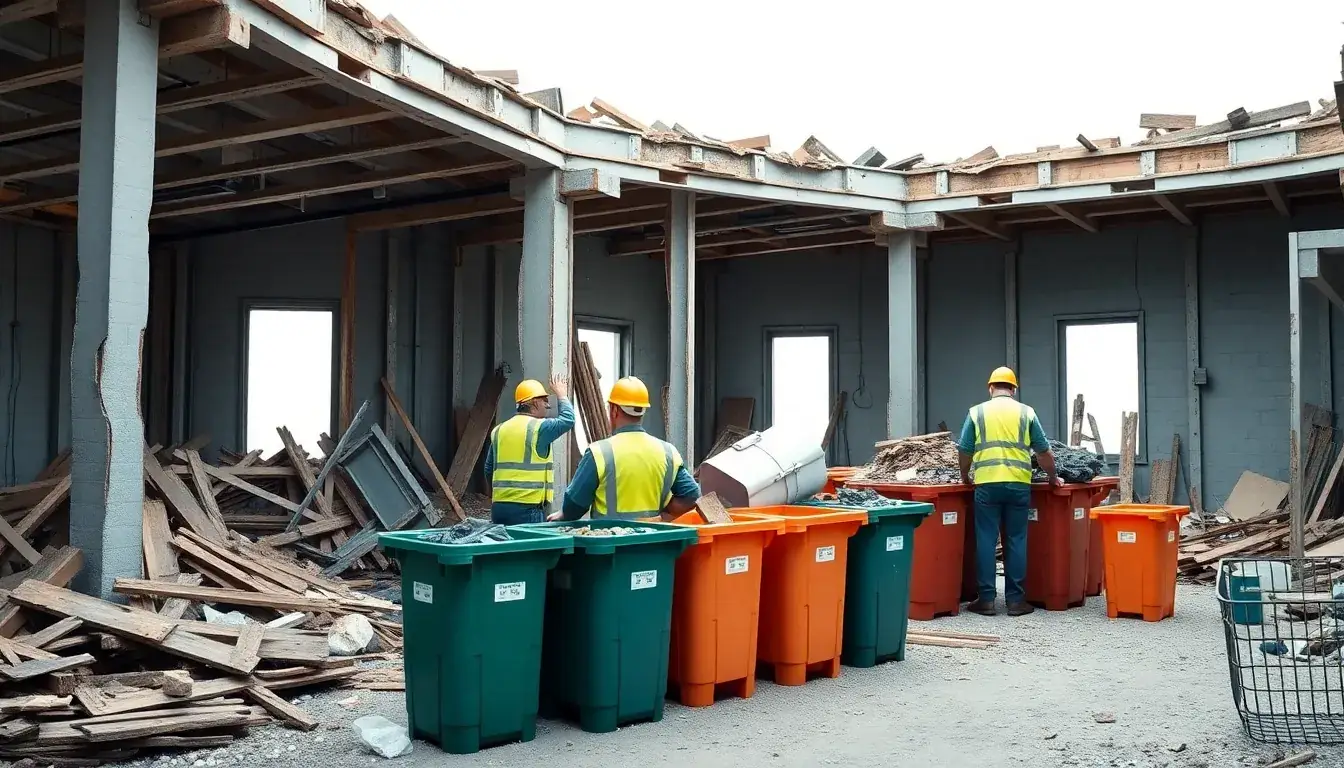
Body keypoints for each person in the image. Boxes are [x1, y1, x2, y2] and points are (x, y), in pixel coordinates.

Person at [957, 366, 1061, 617]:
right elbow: (1043, 451)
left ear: (990, 387)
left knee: (986, 539)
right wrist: (1052, 476)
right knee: (1016, 539)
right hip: (1018, 485)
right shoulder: (1026, 412)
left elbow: (965, 450)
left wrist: (964, 475)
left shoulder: (976, 412)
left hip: (987, 485)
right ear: (1013, 389)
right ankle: (1016, 601)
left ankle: (986, 600)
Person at [548, 376, 700, 521]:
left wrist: (564, 514)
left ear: (614, 410)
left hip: (610, 537)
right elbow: (692, 496)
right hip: (652, 536)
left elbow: (575, 505)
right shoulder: (668, 452)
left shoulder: (600, 452)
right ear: (642, 411)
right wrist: (665, 513)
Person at [484, 374, 575, 524]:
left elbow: (488, 469)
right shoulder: (539, 428)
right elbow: (568, 419)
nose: (547, 405)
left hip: (499, 508)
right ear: (534, 403)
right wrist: (562, 395)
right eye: (544, 400)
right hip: (528, 509)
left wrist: (501, 496)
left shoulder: (499, 430)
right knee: (529, 541)